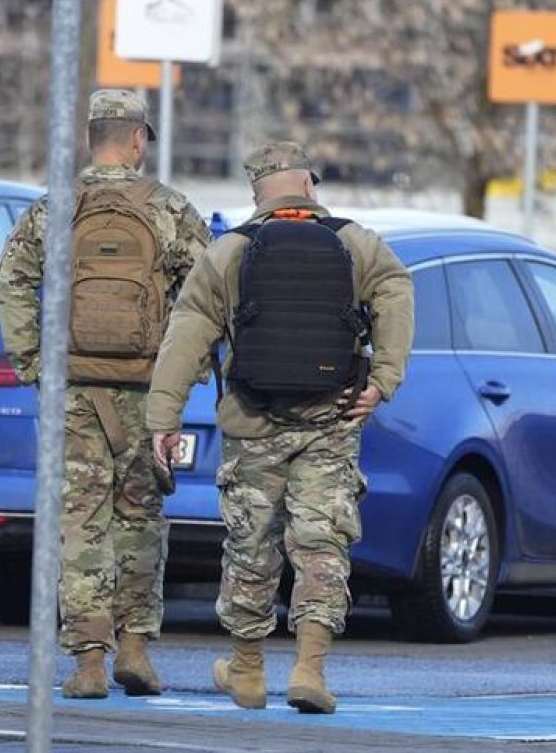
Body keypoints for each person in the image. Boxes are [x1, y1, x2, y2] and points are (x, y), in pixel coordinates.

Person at [146, 141, 413, 714]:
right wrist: (384, 379)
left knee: (250, 544)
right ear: (309, 184)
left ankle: (246, 671)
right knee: (322, 544)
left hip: (252, 420)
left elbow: (187, 335)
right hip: (332, 420)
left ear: (256, 193)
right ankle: (310, 670)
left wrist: (163, 419)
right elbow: (397, 291)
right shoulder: (354, 243)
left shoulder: (230, 252)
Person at [0, 88, 209, 699]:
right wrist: (185, 374)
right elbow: (207, 297)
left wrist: (35, 363)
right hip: (147, 393)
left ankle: (88, 662)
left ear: (92, 138)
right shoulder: (170, 210)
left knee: (81, 523)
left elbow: (13, 282)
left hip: (75, 391)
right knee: (141, 516)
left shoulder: (54, 210)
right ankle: (135, 647)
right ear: (139, 138)